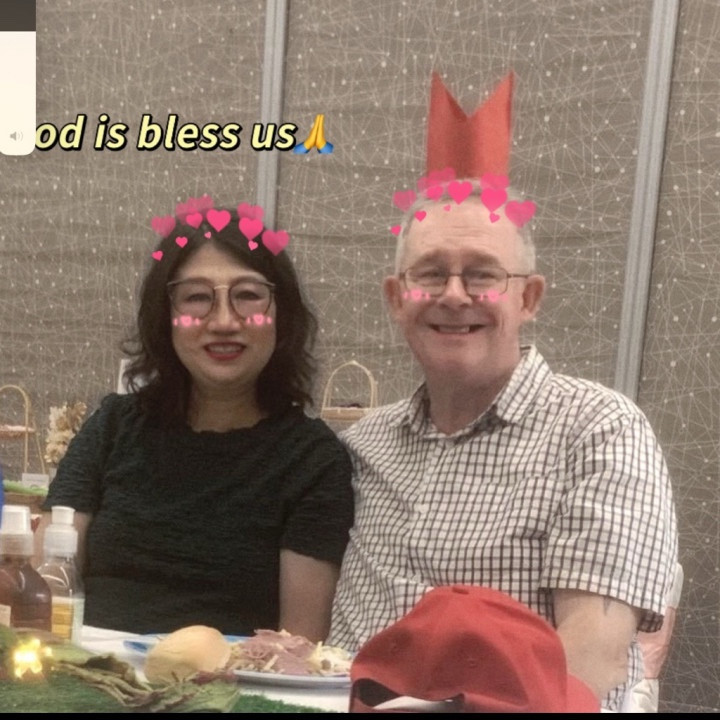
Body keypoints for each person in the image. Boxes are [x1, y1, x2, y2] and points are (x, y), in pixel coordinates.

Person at [329, 181, 678, 710]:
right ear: (397, 298)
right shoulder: (363, 445)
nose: (453, 295)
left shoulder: (598, 430)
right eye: (430, 273)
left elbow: (593, 653)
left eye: (482, 274)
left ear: (528, 297)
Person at [38, 198, 354, 641]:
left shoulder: (314, 460)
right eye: (197, 298)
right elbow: (41, 592)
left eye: (248, 295)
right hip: (91, 672)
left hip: (233, 682)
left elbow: (297, 649)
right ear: (165, 315)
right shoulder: (112, 427)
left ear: (281, 314)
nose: (223, 321)